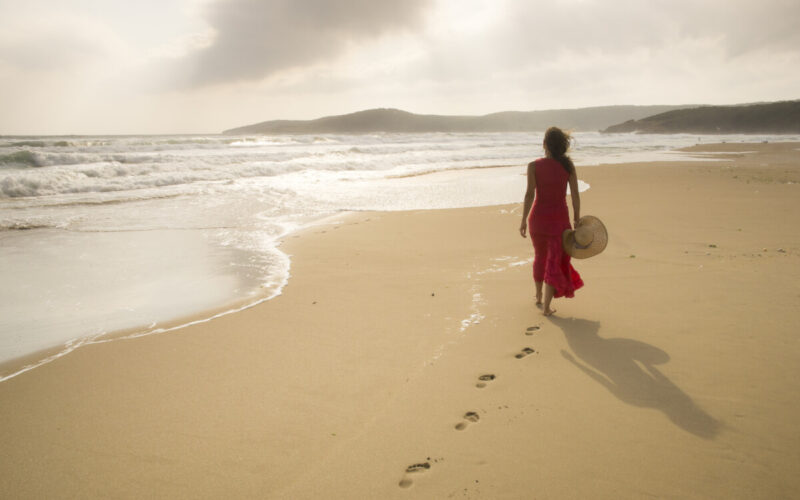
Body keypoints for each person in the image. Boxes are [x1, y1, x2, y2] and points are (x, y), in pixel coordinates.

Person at [519, 127, 584, 316]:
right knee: (553, 261)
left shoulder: (533, 166)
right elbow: (575, 196)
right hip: (559, 221)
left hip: (537, 219)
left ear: (544, 144)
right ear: (563, 145)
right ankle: (546, 307)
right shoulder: (568, 167)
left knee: (540, 257)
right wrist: (577, 218)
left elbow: (529, 194)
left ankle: (538, 296)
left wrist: (523, 219)